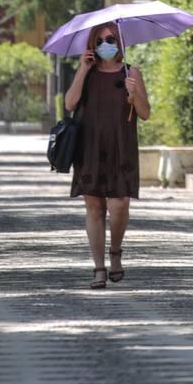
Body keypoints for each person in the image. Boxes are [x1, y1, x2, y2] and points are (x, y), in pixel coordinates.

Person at [64, 22, 150, 290]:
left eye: (110, 38)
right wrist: (82, 69)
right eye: (99, 40)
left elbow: (145, 113)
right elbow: (70, 103)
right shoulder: (87, 73)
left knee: (119, 204)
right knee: (94, 207)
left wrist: (134, 94)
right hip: (89, 147)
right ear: (92, 44)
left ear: (120, 42)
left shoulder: (131, 72)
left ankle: (116, 251)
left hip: (121, 146)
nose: (105, 44)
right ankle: (99, 268)